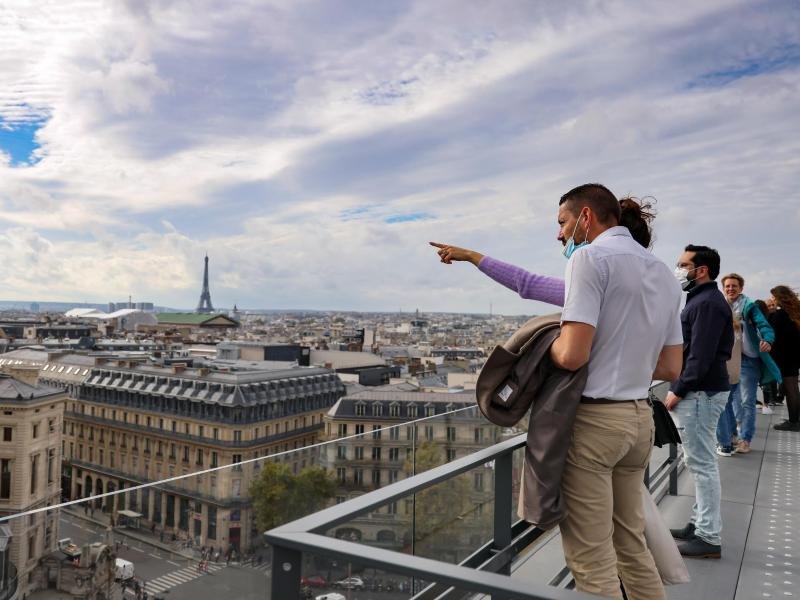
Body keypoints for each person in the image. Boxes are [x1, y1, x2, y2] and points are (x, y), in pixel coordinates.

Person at [438, 183, 683, 599]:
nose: (559, 234)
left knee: (591, 559)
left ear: (585, 216)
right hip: (639, 419)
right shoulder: (662, 273)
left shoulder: (590, 258)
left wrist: (539, 344)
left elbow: (570, 356)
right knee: (631, 544)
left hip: (595, 422)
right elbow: (670, 367)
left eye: (562, 223)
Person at [430, 196, 656, 305]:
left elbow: (527, 284)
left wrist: (471, 256)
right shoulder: (657, 281)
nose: (560, 235)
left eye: (562, 223)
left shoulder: (595, 283)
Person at [665, 245, 733, 559]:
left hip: (700, 393)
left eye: (683, 264)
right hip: (704, 391)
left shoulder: (705, 303)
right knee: (699, 462)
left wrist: (677, 389)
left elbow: (699, 356)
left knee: (702, 464)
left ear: (701, 269)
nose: (678, 269)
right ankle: (699, 523)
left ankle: (708, 536)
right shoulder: (703, 299)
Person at [720, 273, 781, 453]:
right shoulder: (720, 306)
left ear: (741, 288)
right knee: (727, 400)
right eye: (727, 286)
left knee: (747, 401)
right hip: (728, 358)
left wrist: (768, 340)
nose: (731, 289)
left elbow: (764, 326)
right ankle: (732, 434)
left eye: (734, 286)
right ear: (723, 289)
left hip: (748, 359)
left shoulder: (749, 306)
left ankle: (745, 439)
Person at [769, 285, 800, 431]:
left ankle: (794, 422)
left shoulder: (780, 315)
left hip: (784, 357)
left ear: (780, 298)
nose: (772, 300)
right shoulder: (795, 313)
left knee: (790, 389)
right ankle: (795, 419)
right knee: (793, 388)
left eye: (774, 297)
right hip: (795, 356)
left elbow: (773, 336)